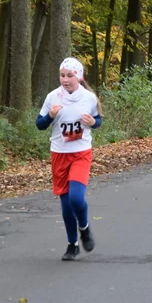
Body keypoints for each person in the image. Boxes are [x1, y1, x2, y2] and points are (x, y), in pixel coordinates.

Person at [36, 57, 102, 261]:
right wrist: (50, 117)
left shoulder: (89, 98)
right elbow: (40, 124)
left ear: (79, 77)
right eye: (62, 75)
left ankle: (85, 228)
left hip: (81, 152)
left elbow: (98, 120)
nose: (65, 80)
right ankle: (72, 245)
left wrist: (93, 122)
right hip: (59, 154)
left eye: (69, 76)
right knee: (66, 205)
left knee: (76, 197)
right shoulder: (52, 97)